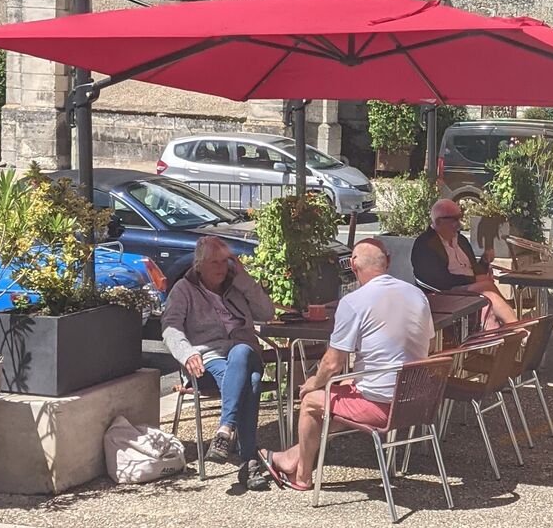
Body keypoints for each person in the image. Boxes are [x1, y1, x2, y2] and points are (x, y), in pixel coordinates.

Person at [262, 238, 434, 492]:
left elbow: (332, 363)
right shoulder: (417, 294)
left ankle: (301, 475)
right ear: (387, 262)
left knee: (311, 401)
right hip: (418, 398)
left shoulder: (355, 302)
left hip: (384, 405)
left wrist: (313, 383)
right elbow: (428, 342)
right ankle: (293, 455)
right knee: (343, 386)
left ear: (353, 266)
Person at [162, 234, 277, 492]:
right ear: (199, 265)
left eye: (225, 262)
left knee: (241, 352)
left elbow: (267, 313)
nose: (221, 268)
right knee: (252, 383)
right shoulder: (184, 290)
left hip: (246, 354)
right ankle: (249, 462)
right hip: (207, 361)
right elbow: (170, 328)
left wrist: (243, 278)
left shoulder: (236, 286)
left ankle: (225, 430)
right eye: (214, 262)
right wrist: (187, 353)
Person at [411, 196, 518, 330]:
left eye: (460, 218)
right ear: (438, 221)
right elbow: (436, 280)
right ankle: (517, 329)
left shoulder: (461, 240)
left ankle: (510, 333)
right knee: (488, 291)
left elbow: (474, 269)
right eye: (454, 219)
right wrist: (472, 280)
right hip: (444, 293)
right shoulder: (425, 244)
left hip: (469, 288)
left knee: (488, 302)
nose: (459, 224)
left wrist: (484, 261)